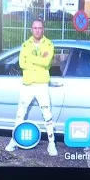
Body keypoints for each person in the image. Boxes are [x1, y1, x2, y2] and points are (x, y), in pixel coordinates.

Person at [6, 18, 58, 156]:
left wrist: (31, 58)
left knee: (47, 114)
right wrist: (39, 59)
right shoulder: (25, 44)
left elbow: (46, 62)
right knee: (20, 113)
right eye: (35, 28)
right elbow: (22, 64)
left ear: (43, 29)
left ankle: (51, 143)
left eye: (40, 28)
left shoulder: (49, 44)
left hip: (41, 84)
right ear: (31, 29)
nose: (37, 30)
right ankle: (14, 140)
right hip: (28, 84)